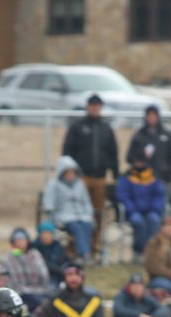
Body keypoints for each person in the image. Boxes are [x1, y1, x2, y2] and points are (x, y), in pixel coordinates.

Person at [62, 94, 119, 258]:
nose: (95, 108)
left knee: (97, 214)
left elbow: (113, 153)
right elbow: (67, 151)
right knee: (77, 212)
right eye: (92, 105)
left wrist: (114, 175)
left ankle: (94, 247)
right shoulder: (78, 127)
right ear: (87, 107)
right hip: (81, 178)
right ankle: (75, 249)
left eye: (98, 105)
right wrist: (69, 173)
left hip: (100, 177)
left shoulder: (106, 129)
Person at [42, 155, 95, 260]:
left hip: (81, 215)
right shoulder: (53, 185)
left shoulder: (80, 184)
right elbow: (48, 202)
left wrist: (88, 214)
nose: (71, 175)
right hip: (63, 216)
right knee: (77, 227)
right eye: (68, 173)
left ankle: (86, 252)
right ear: (62, 173)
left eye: (73, 172)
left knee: (87, 225)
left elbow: (86, 202)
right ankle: (83, 254)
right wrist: (51, 210)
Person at [116, 155, 166, 257]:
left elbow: (159, 195)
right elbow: (122, 196)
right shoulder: (126, 179)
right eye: (137, 161)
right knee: (138, 221)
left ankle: (152, 251)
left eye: (141, 161)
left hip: (151, 211)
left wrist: (154, 209)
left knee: (154, 219)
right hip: (133, 212)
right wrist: (132, 209)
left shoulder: (153, 178)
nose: (139, 164)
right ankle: (140, 251)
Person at [0, 228, 51, 310]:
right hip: (21, 293)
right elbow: (7, 280)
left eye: (23, 239)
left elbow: (44, 275)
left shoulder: (35, 254)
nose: (21, 242)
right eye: (18, 239)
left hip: (40, 291)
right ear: (13, 242)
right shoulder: (8, 258)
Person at [127, 105, 171, 184]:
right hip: (142, 178)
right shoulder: (139, 135)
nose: (152, 118)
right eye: (149, 115)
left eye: (154, 116)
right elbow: (130, 157)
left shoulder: (166, 134)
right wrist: (142, 154)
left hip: (162, 176)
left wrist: (168, 175)